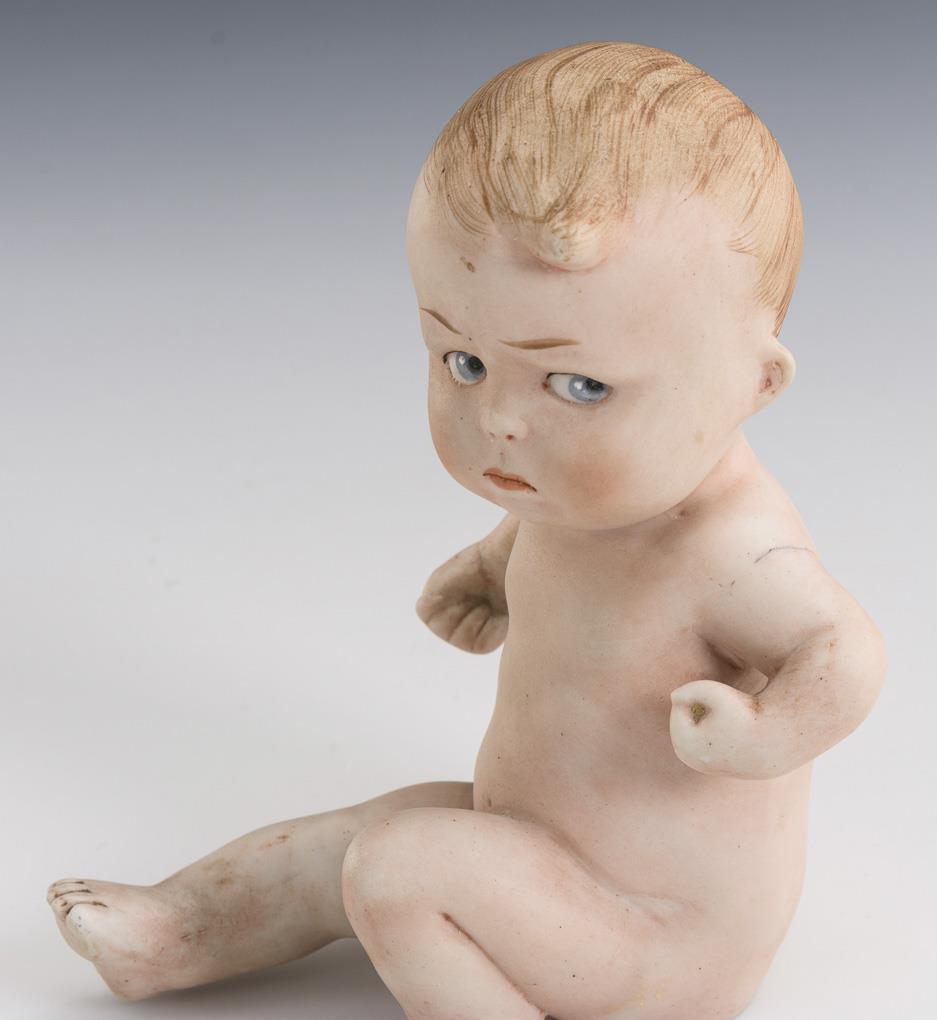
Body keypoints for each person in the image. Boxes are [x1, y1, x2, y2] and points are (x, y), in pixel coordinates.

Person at [48, 41, 886, 1019]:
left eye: (579, 385)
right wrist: (490, 568)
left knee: (399, 866)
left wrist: (763, 735)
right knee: (350, 840)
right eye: (462, 362)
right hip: (540, 844)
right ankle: (176, 935)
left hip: (655, 938)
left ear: (754, 381)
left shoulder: (729, 550)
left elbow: (844, 653)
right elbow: (553, 542)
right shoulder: (594, 498)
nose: (499, 421)